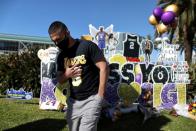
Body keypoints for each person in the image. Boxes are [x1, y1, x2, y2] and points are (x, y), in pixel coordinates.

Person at [48, 21, 109, 131]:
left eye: (58, 39)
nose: (57, 43)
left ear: (67, 33)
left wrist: (100, 95)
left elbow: (104, 67)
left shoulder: (87, 46)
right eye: (54, 41)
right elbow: (60, 79)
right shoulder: (61, 56)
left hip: (92, 99)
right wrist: (67, 74)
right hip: (73, 102)